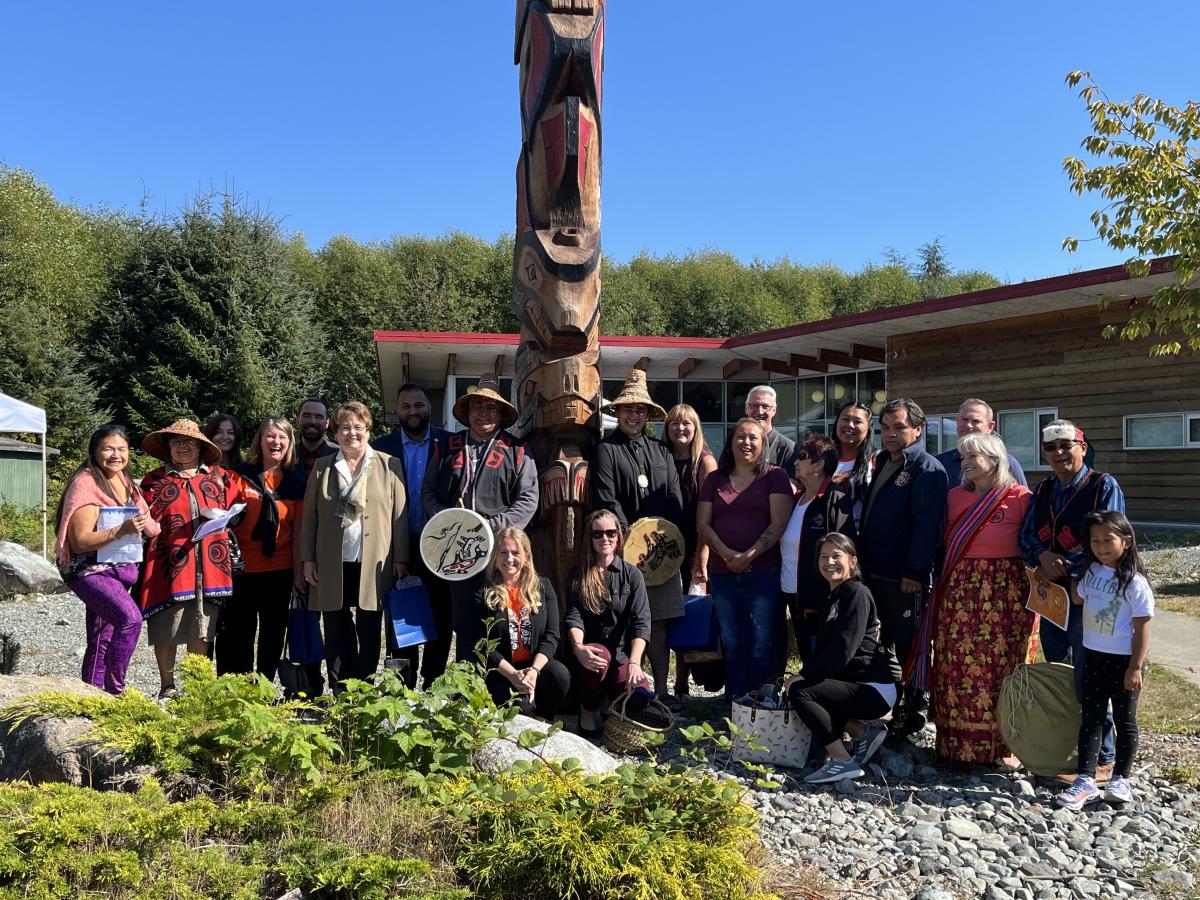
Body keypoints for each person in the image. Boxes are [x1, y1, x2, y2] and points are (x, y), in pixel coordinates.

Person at [1019, 418, 1126, 782]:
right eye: (1052, 448)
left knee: (1090, 673)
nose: (1060, 453)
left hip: (1090, 594)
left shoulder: (1102, 486)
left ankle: (1104, 756)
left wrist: (1066, 564)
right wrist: (1041, 558)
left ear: (1082, 446)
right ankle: (1069, 748)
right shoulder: (1045, 489)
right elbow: (1026, 535)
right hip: (1052, 596)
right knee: (1062, 671)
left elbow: (1112, 537)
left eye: (1067, 445)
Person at [923, 432, 1037, 764]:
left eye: (975, 457)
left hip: (1006, 595)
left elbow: (1032, 545)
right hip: (960, 592)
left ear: (995, 460)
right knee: (956, 665)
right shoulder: (954, 498)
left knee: (1001, 667)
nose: (967, 463)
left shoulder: (1020, 498)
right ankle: (955, 746)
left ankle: (1004, 747)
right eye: (964, 457)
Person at [423, 376, 539, 662]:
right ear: (468, 411)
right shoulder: (445, 447)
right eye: (478, 406)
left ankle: (503, 687)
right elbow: (427, 494)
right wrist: (447, 520)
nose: (484, 413)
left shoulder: (518, 450)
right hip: (455, 551)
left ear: (500, 414)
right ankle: (464, 688)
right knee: (462, 621)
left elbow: (528, 499)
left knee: (501, 618)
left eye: (491, 408)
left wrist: (492, 528)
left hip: (501, 554)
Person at [592, 368, 685, 706]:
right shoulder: (605, 450)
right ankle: (628, 690)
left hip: (659, 554)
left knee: (659, 624)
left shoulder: (662, 451)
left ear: (648, 414)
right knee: (624, 623)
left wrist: (664, 536)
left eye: (640, 410)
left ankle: (661, 690)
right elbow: (605, 496)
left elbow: (675, 497)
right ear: (618, 412)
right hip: (622, 553)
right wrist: (631, 535)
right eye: (628, 409)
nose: (634, 415)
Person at [301, 401, 408, 693]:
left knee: (370, 628)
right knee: (335, 628)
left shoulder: (388, 464)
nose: (352, 433)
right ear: (335, 432)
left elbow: (399, 515)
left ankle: (363, 686)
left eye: (358, 427)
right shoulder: (324, 467)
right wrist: (307, 559)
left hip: (374, 561)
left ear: (368, 429)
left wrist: (401, 558)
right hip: (331, 561)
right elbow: (309, 518)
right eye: (345, 427)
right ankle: (340, 688)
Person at [857, 398, 948, 735]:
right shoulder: (883, 461)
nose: (891, 434)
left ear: (918, 430)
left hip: (904, 578)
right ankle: (890, 705)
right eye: (886, 428)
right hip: (876, 572)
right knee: (883, 644)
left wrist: (915, 571)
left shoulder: (926, 468)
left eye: (899, 427)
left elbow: (928, 526)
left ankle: (914, 712)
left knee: (911, 646)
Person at [783, 534, 900, 785]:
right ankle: (862, 732)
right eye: (824, 557)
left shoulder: (856, 593)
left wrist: (802, 677)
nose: (829, 562)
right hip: (854, 685)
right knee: (801, 687)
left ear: (853, 560)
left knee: (802, 692)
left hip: (873, 689)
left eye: (837, 556)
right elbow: (826, 653)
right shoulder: (835, 595)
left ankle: (842, 761)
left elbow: (843, 650)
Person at [1056, 511, 1153, 810]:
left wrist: (1135, 667)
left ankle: (1121, 778)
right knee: (1092, 718)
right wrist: (1074, 572)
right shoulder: (1093, 572)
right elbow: (1078, 599)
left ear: (1126, 540)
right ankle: (1085, 779)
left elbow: (1142, 627)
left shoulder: (1134, 583)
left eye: (1108, 540)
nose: (1101, 547)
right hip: (1094, 658)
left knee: (1125, 721)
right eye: (1095, 541)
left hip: (1124, 662)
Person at [54, 424, 159, 695]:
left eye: (122, 449)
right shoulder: (86, 483)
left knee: (102, 634)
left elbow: (148, 522)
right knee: (130, 619)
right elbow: (80, 541)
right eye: (108, 448)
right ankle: (115, 689)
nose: (116, 455)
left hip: (117, 567)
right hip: (89, 570)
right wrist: (121, 530)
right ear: (95, 451)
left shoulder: (124, 480)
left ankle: (92, 694)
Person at [695, 417, 793, 699]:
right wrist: (726, 555)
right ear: (730, 441)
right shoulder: (715, 479)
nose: (746, 443)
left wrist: (749, 555)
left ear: (763, 444)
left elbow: (778, 523)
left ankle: (761, 701)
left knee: (763, 641)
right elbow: (703, 523)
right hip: (723, 573)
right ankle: (736, 700)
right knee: (733, 641)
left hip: (763, 572)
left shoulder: (775, 476)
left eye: (753, 438)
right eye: (740, 437)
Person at [138, 419, 236, 698]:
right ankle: (167, 685)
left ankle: (197, 687)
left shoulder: (218, 478)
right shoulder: (154, 480)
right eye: (176, 441)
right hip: (168, 565)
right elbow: (143, 518)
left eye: (189, 442)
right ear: (167, 446)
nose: (183, 447)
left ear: (200, 447)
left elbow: (233, 512)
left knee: (202, 625)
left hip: (209, 564)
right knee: (166, 625)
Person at [373, 383, 453, 689]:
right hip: (398, 546)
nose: (413, 411)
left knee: (441, 618)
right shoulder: (381, 448)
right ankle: (399, 684)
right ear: (397, 411)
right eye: (405, 406)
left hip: (440, 545)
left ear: (429, 407)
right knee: (400, 621)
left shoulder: (448, 443)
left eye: (418, 405)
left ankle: (433, 682)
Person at [217, 417, 307, 681]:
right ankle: (241, 688)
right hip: (243, 570)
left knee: (273, 633)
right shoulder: (239, 476)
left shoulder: (296, 481)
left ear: (290, 443)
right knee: (240, 632)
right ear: (260, 440)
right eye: (270, 436)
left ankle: (265, 686)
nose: (275, 442)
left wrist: (299, 573)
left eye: (282, 437)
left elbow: (299, 533)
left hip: (280, 571)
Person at [564, 510, 653, 736]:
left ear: (618, 537)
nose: (605, 539)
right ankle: (588, 710)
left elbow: (641, 622)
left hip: (623, 654)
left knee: (640, 697)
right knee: (597, 655)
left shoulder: (632, 575)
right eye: (598, 534)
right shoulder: (577, 575)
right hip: (592, 652)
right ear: (590, 538)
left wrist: (635, 662)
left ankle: (610, 705)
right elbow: (574, 617)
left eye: (611, 533)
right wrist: (578, 647)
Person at [477, 527, 571, 719]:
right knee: (522, 711)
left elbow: (552, 635)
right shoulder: (485, 592)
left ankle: (543, 717)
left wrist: (534, 671)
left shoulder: (543, 587)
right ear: (495, 557)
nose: (509, 558)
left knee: (560, 675)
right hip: (502, 670)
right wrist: (513, 675)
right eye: (503, 553)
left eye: (515, 552)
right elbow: (483, 644)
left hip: (535, 666)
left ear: (526, 556)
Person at [780, 434, 857, 666]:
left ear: (819, 464)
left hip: (820, 597)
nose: (795, 462)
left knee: (821, 657)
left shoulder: (835, 497)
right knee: (805, 654)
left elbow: (845, 547)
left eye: (802, 457)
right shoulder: (797, 498)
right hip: (792, 592)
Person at [662, 403, 717, 699]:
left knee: (687, 615)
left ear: (696, 429)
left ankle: (683, 682)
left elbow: (711, 516)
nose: (680, 429)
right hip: (664, 550)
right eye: (674, 423)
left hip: (694, 549)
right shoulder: (662, 457)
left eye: (686, 424)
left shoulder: (705, 462)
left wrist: (702, 557)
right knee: (666, 615)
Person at [934, 399, 1027, 488]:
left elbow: (1022, 501)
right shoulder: (939, 463)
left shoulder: (1007, 464)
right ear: (957, 421)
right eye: (964, 419)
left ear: (990, 426)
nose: (968, 425)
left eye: (976, 421)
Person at [830, 402, 874, 528]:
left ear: (869, 430)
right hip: (823, 537)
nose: (849, 425)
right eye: (845, 419)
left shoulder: (876, 462)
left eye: (857, 422)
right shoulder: (821, 460)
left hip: (857, 539)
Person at [744, 385, 796, 470]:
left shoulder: (786, 447)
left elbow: (790, 482)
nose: (760, 412)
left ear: (774, 411)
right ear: (746, 409)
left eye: (765, 406)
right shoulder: (736, 444)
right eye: (755, 405)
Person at [296, 398, 338, 477]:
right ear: (298, 420)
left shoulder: (340, 456)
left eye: (319, 417)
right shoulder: (286, 456)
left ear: (327, 423)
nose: (312, 421)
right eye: (307, 415)